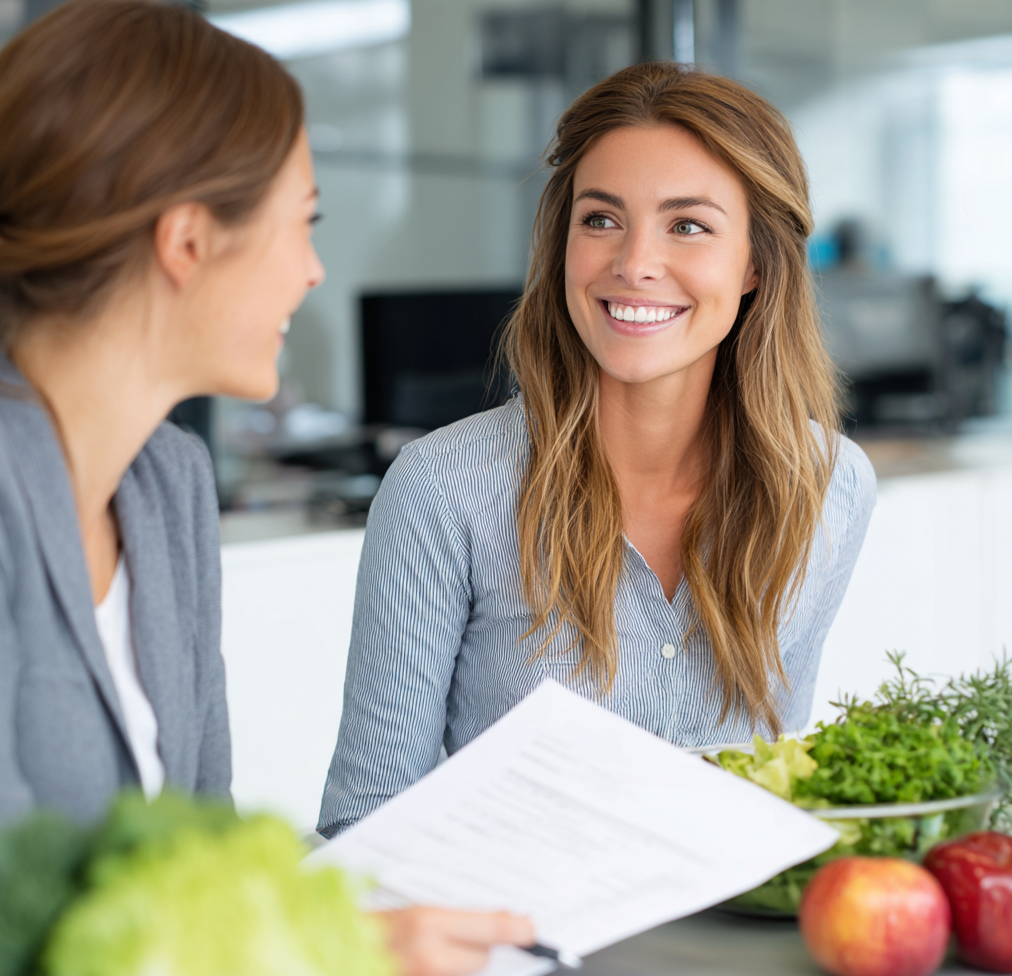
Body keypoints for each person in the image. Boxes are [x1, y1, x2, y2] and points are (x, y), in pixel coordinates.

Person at [0, 3, 530, 976]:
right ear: (188, 239)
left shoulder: (167, 487)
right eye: (304, 221)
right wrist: (311, 960)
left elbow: (203, 855)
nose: (314, 268)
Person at [320, 61, 877, 838]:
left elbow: (772, 785)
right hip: (522, 946)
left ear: (755, 263)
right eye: (601, 219)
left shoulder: (830, 484)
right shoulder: (443, 489)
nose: (633, 263)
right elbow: (367, 825)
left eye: (688, 225)